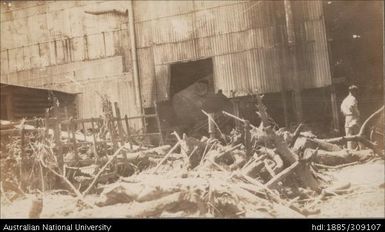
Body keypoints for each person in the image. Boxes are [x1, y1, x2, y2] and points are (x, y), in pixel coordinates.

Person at [340, 85, 360, 149]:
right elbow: (351, 107)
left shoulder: (345, 100)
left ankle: (350, 150)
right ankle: (363, 150)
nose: (356, 93)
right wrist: (357, 114)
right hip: (353, 117)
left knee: (348, 135)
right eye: (355, 91)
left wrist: (346, 114)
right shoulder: (353, 98)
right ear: (353, 91)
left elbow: (341, 109)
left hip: (347, 118)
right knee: (359, 134)